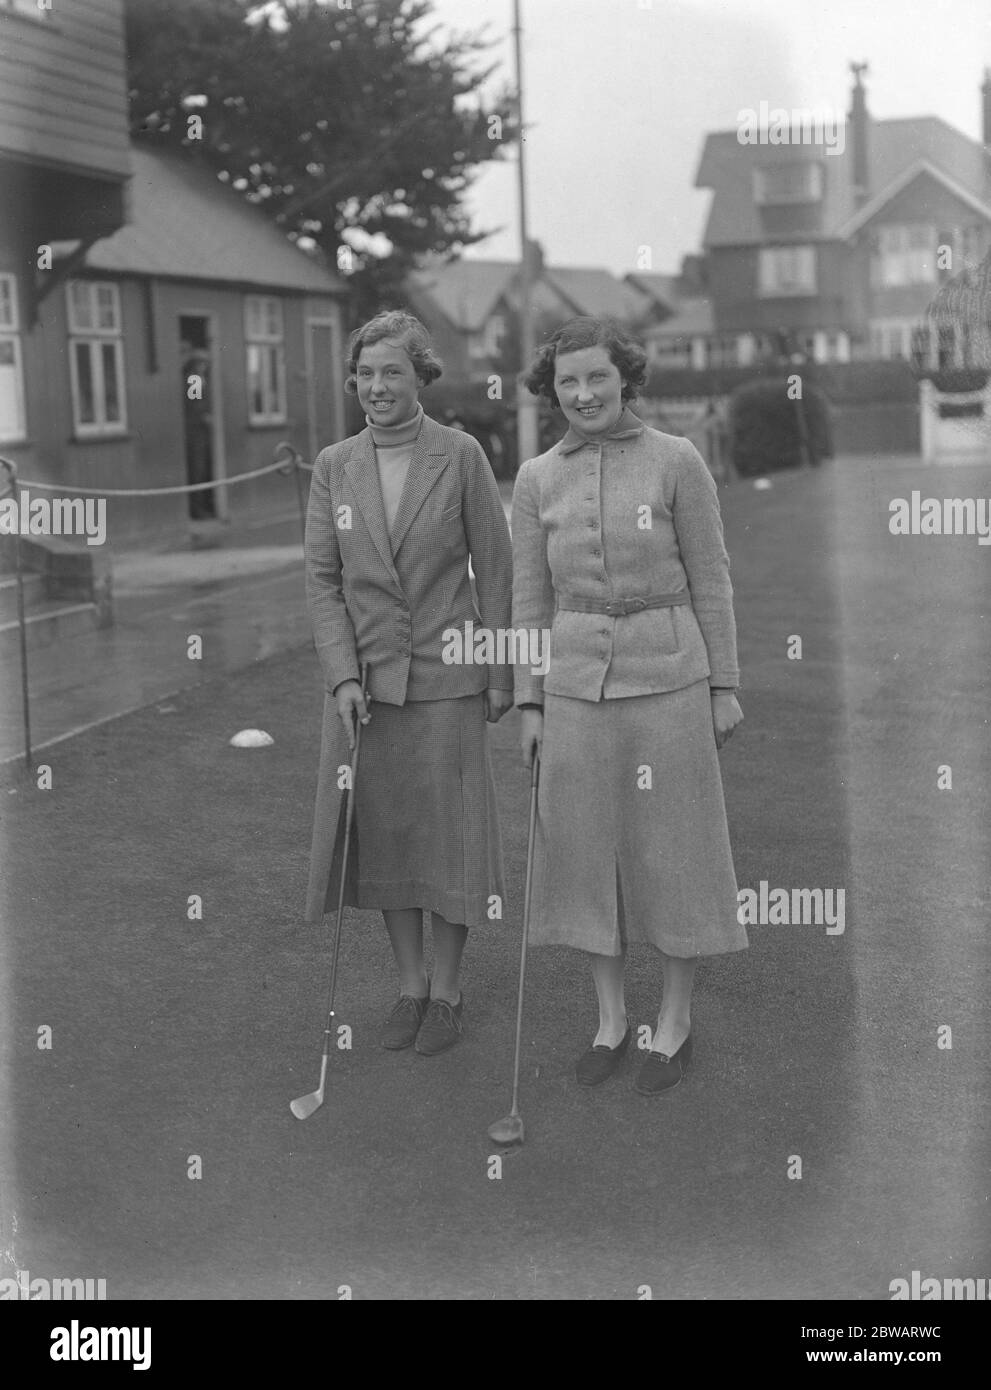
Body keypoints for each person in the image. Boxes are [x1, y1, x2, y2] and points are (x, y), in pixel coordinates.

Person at [511, 315, 747, 1095]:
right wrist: (530, 703)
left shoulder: (677, 461)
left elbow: (711, 577)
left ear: (625, 379)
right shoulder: (537, 477)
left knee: (674, 852)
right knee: (583, 855)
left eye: (597, 378)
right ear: (553, 391)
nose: (583, 394)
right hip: (576, 687)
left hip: (671, 679)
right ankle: (610, 1020)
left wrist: (722, 686)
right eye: (568, 382)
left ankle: (673, 1023)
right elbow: (527, 598)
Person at [303, 310, 514, 1056]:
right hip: (369, 688)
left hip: (451, 678)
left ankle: (449, 993)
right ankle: (410, 986)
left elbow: (495, 567)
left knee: (449, 843)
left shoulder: (458, 456)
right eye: (364, 373)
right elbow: (323, 582)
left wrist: (498, 675)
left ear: (421, 376)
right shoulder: (334, 465)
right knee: (389, 840)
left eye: (391, 371)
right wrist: (340, 677)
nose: (375, 386)